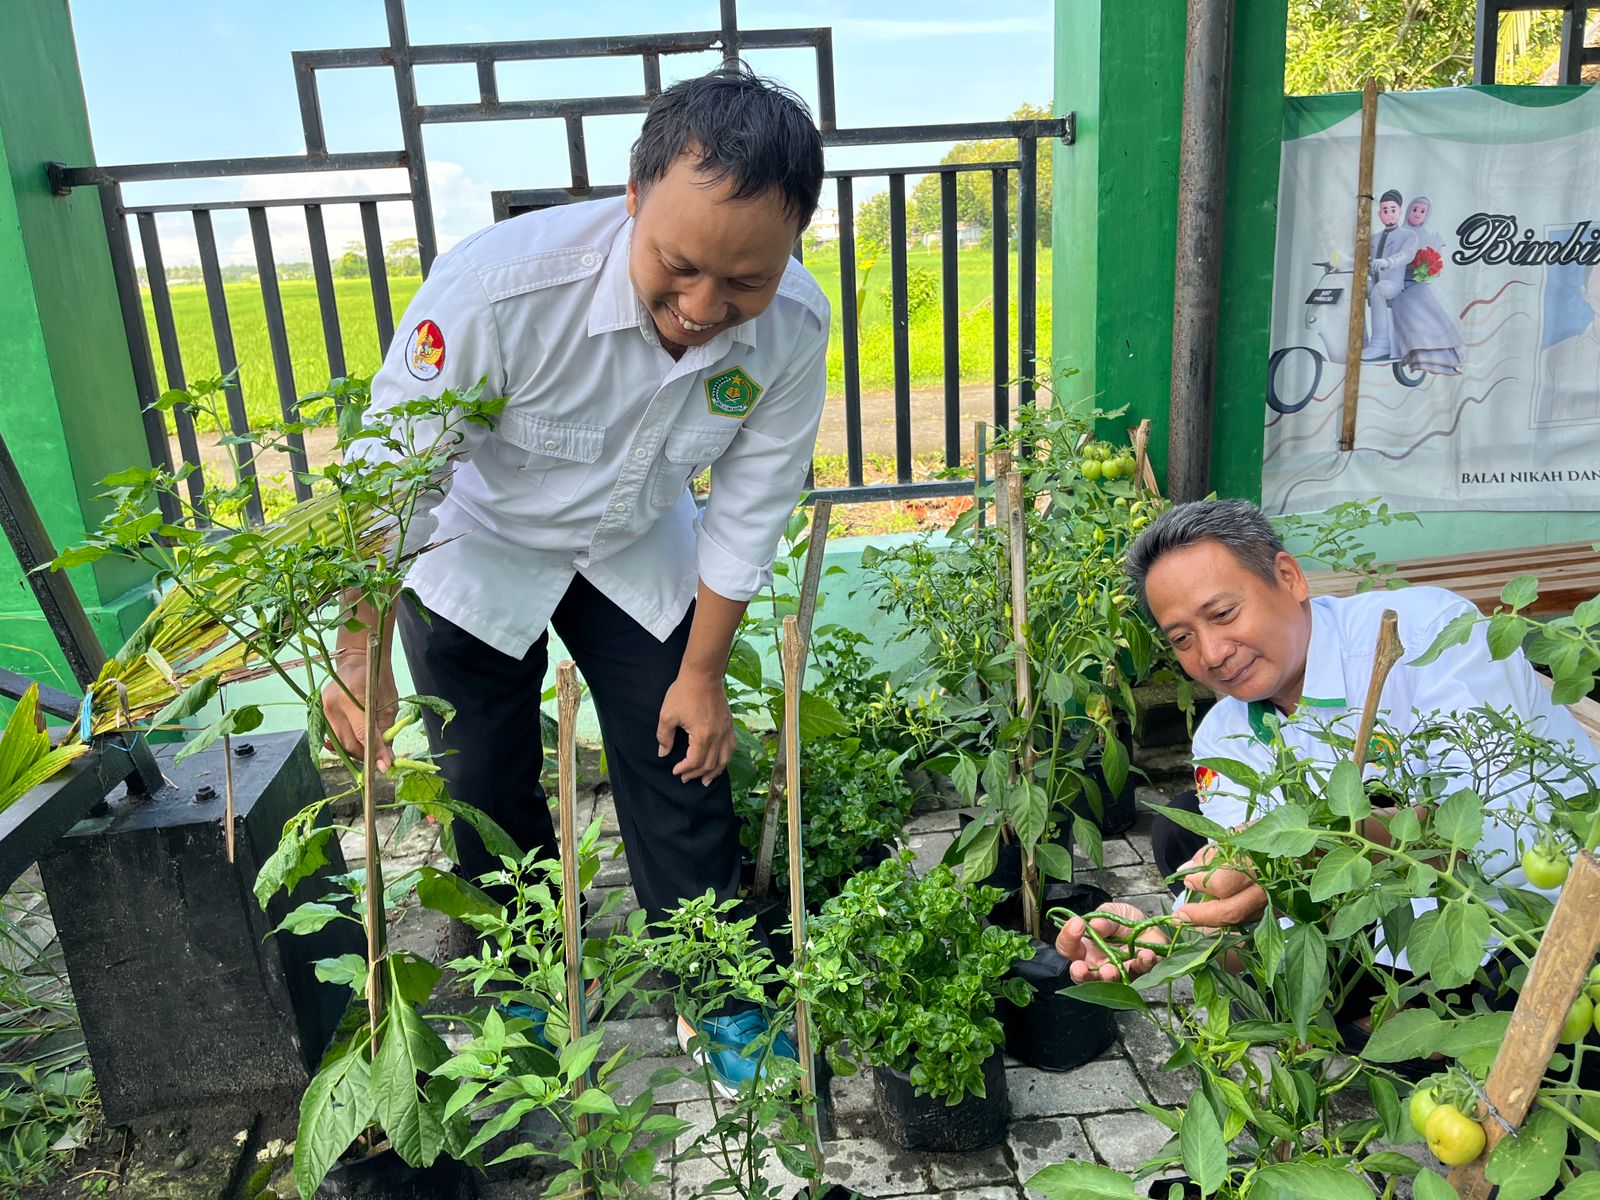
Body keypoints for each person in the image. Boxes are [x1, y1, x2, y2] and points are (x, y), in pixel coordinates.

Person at [321, 64, 829, 1092]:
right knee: (480, 777)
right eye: (679, 266)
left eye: (745, 281)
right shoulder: (499, 289)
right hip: (476, 542)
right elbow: (391, 477)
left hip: (632, 541)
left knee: (682, 755)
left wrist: (704, 672)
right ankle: (528, 975)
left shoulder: (794, 327)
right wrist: (359, 653)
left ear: (791, 245)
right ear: (633, 195)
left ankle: (714, 984)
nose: (704, 308)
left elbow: (752, 502)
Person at [1056, 499, 1600, 984]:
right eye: (1182, 638)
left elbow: (1493, 822)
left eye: (1223, 614)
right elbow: (1255, 904)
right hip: (1383, 915)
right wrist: (1167, 937)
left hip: (1527, 909)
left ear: (1289, 577)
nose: (1212, 653)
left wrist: (1309, 847)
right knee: (1183, 833)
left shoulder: (1429, 635)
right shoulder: (1224, 733)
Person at [1390, 196, 1465, 376]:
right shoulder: (1398, 234)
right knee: (1415, 302)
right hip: (1401, 286)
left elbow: (1437, 269)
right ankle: (1421, 355)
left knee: (1434, 302)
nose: (1417, 214)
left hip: (1421, 283)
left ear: (1427, 215)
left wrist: (1428, 267)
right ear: (1408, 210)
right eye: (1415, 209)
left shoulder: (1430, 236)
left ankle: (1446, 356)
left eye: (1422, 211)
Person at [1362, 189, 1416, 362]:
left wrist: (1388, 261)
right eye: (1385, 210)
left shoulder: (1408, 235)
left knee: (1379, 289)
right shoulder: (1373, 238)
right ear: (1380, 214)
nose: (1389, 214)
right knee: (1356, 288)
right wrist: (1339, 261)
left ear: (1400, 211)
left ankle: (1381, 344)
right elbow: (1356, 255)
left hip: (1393, 284)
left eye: (1393, 209)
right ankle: (1360, 338)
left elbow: (1407, 254)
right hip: (1375, 281)